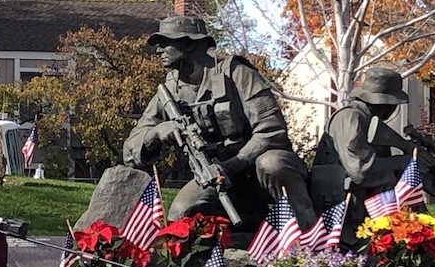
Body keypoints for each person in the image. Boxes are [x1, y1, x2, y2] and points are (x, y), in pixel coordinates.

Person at [123, 15, 317, 231]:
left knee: (272, 164)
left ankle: (309, 243)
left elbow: (272, 131)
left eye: (166, 42)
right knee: (181, 212)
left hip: (259, 171)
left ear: (188, 43)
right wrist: (157, 132)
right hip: (217, 179)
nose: (158, 50)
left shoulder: (237, 73)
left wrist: (233, 165)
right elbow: (129, 151)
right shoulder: (169, 92)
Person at [308, 67, 412, 246]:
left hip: (361, 212)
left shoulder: (370, 122)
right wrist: (402, 162)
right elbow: (361, 170)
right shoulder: (351, 118)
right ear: (387, 104)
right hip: (341, 214)